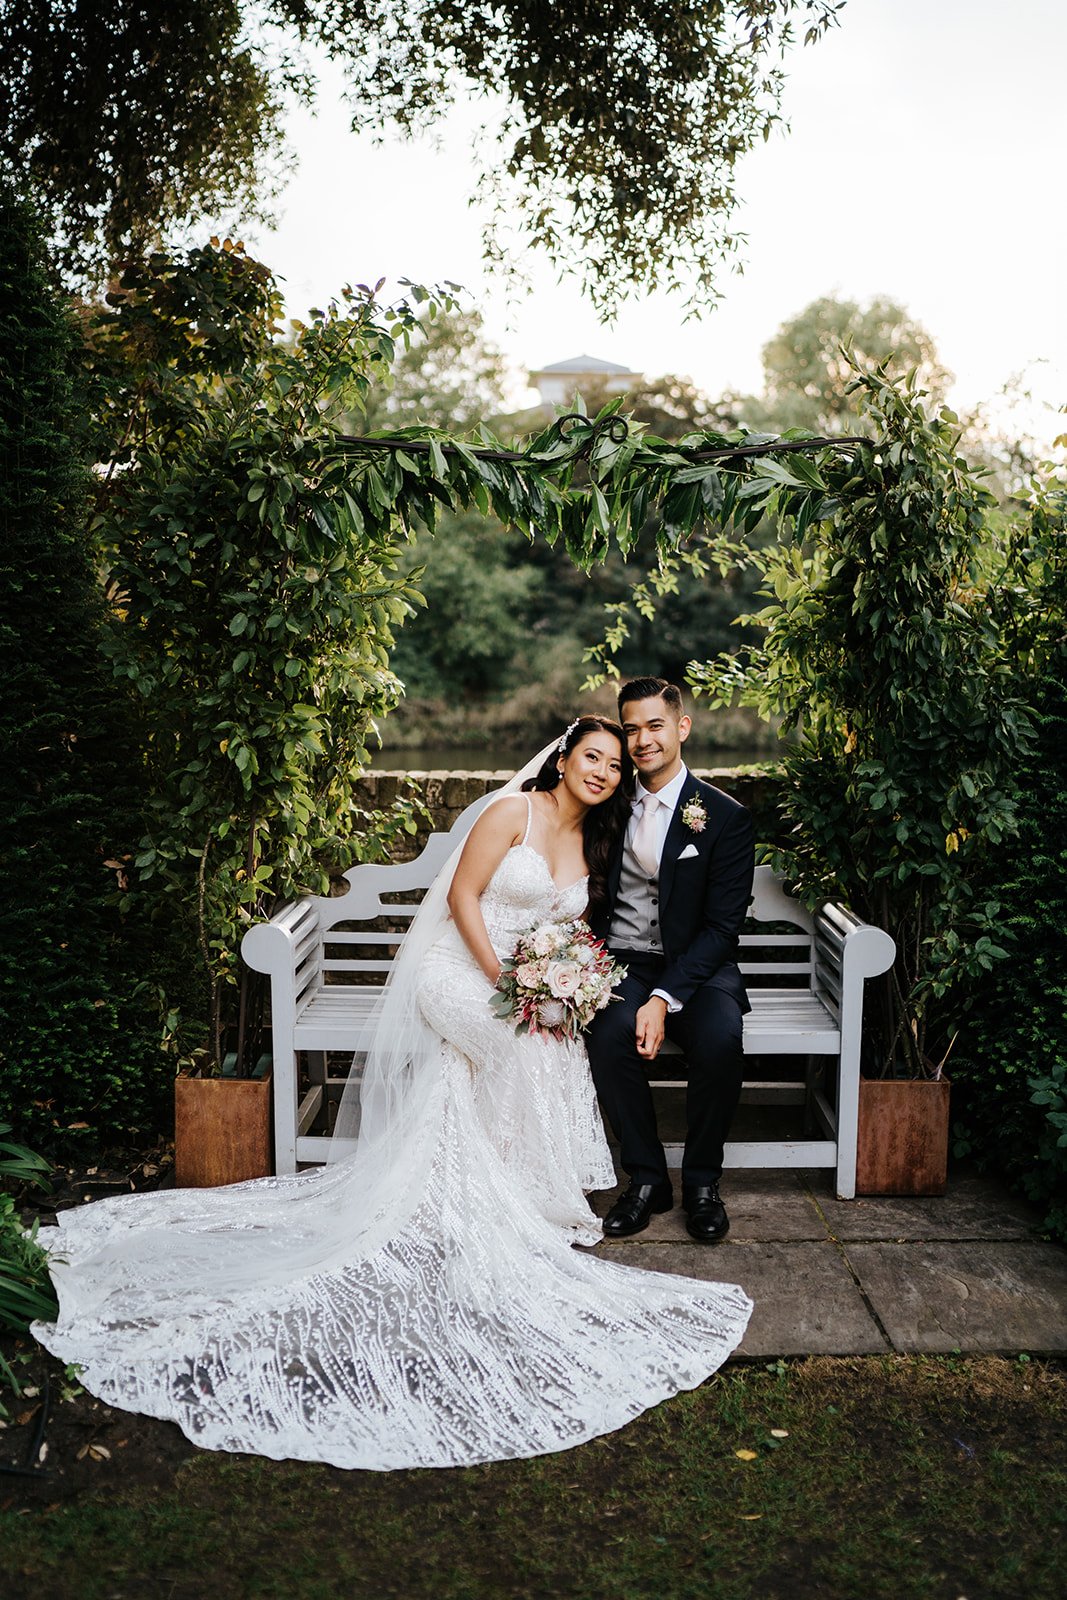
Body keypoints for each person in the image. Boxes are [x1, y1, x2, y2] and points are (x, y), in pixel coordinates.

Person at [33, 716, 751, 1471]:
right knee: (516, 1040)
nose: (604, 770)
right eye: (592, 756)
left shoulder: (593, 843)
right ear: (565, 757)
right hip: (458, 971)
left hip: (524, 981)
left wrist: (561, 985)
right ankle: (516, 1196)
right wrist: (508, 983)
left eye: (613, 762)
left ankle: (515, 1189)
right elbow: (464, 901)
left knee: (554, 1041)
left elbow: (577, 933)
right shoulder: (512, 810)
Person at [587, 680, 755, 1245]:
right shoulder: (606, 805)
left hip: (701, 969)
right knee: (606, 1031)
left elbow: (722, 927)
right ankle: (647, 1179)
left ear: (682, 727)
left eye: (654, 726)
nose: (641, 740)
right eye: (630, 728)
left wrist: (665, 998)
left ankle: (703, 1184)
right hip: (627, 962)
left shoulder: (725, 817)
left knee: (719, 1039)